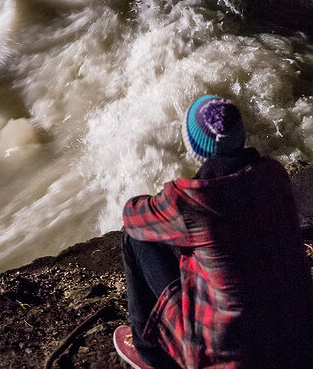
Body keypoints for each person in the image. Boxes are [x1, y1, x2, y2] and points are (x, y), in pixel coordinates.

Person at [113, 94, 313, 369]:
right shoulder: (274, 174)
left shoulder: (191, 199)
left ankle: (149, 352)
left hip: (227, 355)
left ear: (194, 145)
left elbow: (132, 215)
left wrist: (165, 201)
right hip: (296, 337)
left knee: (133, 238)